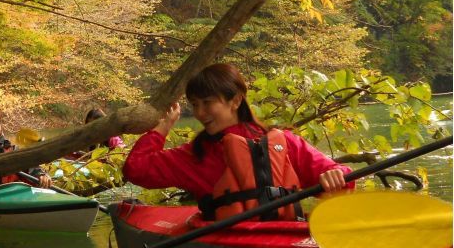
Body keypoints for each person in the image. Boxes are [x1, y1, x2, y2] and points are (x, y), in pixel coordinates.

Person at [122, 63, 353, 221]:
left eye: (208, 102)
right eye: (195, 104)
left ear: (236, 101)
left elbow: (340, 178)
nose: (200, 113)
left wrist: (335, 174)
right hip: (274, 243)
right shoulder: (197, 155)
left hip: (250, 246)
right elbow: (135, 171)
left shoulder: (284, 143)